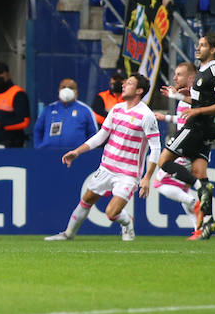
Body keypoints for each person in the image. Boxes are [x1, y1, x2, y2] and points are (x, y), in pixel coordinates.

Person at [47, 73, 159, 242]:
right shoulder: (116, 109)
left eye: (129, 83)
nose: (123, 85)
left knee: (111, 213)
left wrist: (147, 177)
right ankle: (68, 234)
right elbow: (101, 136)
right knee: (87, 198)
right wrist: (77, 152)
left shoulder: (146, 115)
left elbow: (156, 147)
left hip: (127, 174)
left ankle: (127, 222)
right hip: (107, 167)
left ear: (139, 91)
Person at [145, 32, 215, 240]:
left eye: (202, 45)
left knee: (164, 161)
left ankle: (198, 188)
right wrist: (178, 96)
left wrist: (196, 112)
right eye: (198, 45)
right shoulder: (203, 72)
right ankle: (207, 223)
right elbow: (202, 101)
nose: (198, 48)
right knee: (201, 174)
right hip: (205, 129)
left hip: (197, 127)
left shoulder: (214, 72)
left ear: (213, 50)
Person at [140, 62, 206, 233]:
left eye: (179, 74)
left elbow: (199, 109)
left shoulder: (196, 95)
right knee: (182, 189)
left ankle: (195, 203)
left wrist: (177, 97)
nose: (174, 77)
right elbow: (183, 120)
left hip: (186, 149)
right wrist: (166, 118)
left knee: (159, 183)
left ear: (191, 78)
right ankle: (198, 228)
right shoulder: (186, 96)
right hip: (187, 147)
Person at [33, 78, 98, 151]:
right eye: (63, 87)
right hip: (48, 154)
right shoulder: (49, 109)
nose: (66, 90)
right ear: (59, 90)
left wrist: (86, 151)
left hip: (76, 155)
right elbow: (38, 130)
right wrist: (38, 148)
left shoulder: (85, 110)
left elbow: (93, 133)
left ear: (76, 92)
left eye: (70, 88)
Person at [0, 61, 30, 148]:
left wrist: (0, 124)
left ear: (8, 74)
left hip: (12, 144)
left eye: (0, 73)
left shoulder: (18, 93)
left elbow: (24, 122)